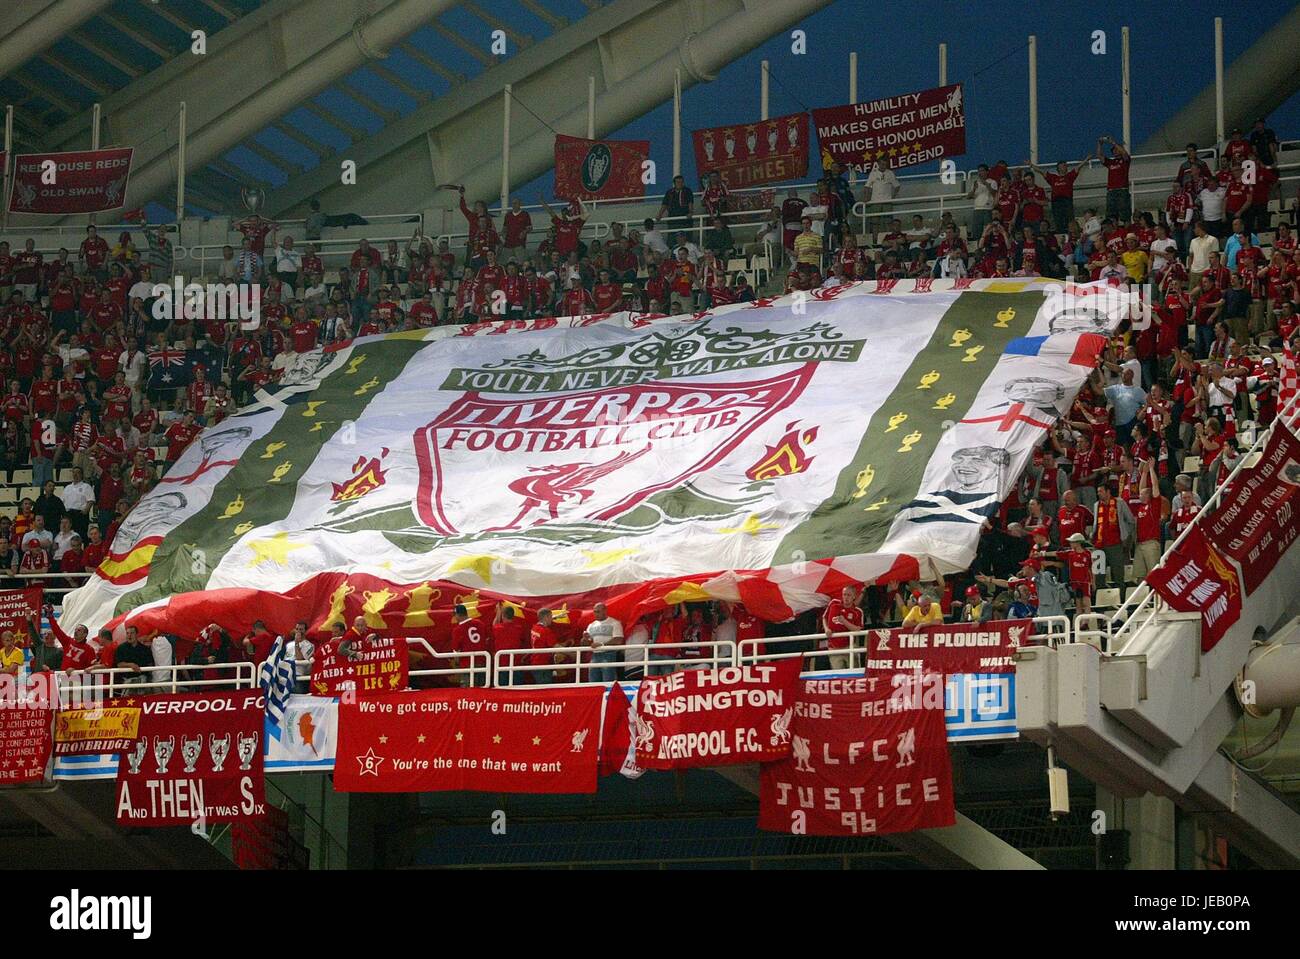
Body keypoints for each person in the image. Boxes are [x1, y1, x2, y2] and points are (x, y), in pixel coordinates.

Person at [822, 585, 863, 670]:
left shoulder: (858, 612)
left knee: (854, 673)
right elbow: (824, 617)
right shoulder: (833, 603)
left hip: (849, 646)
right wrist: (826, 629)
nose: (846, 597)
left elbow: (858, 629)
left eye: (849, 595)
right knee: (838, 674)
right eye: (844, 594)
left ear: (854, 596)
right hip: (833, 647)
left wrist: (844, 621)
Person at [583, 602, 623, 683]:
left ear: (605, 611)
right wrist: (585, 639)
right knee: (593, 682)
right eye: (594, 612)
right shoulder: (591, 625)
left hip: (609, 654)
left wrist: (602, 645)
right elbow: (587, 643)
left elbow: (618, 639)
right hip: (595, 655)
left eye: (598, 611)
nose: (596, 614)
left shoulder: (614, 623)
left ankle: (608, 695)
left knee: (608, 681)